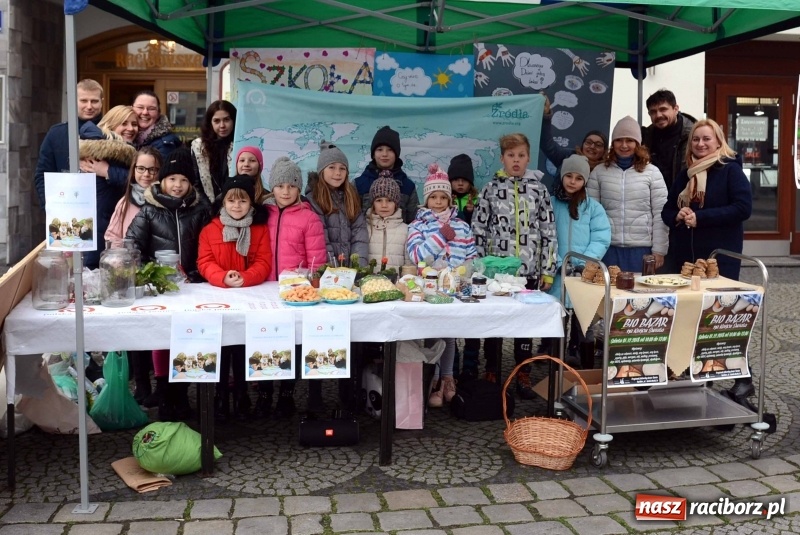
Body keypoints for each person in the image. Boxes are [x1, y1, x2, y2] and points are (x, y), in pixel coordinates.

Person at [126, 147, 211, 420]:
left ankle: (182, 394)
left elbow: (209, 245)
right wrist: (149, 274)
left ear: (190, 184)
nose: (177, 185)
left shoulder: (199, 211)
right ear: (161, 181)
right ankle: (164, 394)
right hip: (161, 289)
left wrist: (200, 272)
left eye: (183, 180)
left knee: (187, 338)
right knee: (162, 341)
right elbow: (132, 247)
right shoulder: (149, 211)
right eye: (172, 179)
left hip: (193, 286)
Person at [472, 133, 557, 399]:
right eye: (511, 156)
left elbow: (549, 231)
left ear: (528, 157)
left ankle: (523, 373)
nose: (516, 160)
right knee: (494, 323)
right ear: (502, 158)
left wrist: (548, 270)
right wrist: (479, 269)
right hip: (498, 273)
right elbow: (478, 230)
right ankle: (493, 370)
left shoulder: (539, 190)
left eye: (521, 155)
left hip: (529, 271)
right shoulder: (490, 189)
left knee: (525, 326)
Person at [197, 175, 272, 421]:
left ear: (251, 203)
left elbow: (263, 261)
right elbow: (204, 261)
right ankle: (219, 395)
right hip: (219, 297)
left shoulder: (259, 229)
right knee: (221, 347)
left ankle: (241, 394)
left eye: (242, 201)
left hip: (249, 296)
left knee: (243, 346)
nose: (236, 206)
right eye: (231, 200)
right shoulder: (210, 229)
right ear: (223, 202)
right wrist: (222, 277)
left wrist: (247, 276)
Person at [261, 156, 327, 417]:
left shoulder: (308, 218)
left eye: (291, 186)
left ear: (299, 188)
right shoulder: (262, 214)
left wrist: (309, 284)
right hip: (265, 288)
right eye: (280, 186)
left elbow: (316, 260)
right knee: (268, 339)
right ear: (272, 188)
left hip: (296, 292)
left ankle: (287, 393)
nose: (285, 191)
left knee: (295, 342)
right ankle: (265, 392)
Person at [407, 164, 477, 407]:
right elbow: (417, 257)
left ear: (450, 199)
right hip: (428, 290)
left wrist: (464, 272)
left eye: (443, 197)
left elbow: (471, 257)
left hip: (454, 291)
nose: (438, 202)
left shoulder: (463, 226)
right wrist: (440, 237)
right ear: (427, 199)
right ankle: (432, 379)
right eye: (433, 197)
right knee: (432, 334)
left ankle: (447, 379)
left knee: (449, 335)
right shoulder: (418, 225)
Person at [661, 118, 752, 280]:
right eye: (695, 139)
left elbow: (742, 208)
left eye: (706, 139)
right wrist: (677, 215)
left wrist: (700, 218)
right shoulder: (686, 174)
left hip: (719, 258)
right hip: (685, 259)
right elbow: (667, 211)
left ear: (718, 142)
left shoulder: (731, 170)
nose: (700, 144)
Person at [546, 154, 611, 368]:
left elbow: (601, 237)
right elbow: (545, 235)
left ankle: (587, 370)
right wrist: (556, 263)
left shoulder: (593, 207)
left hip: (584, 275)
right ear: (562, 176)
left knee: (586, 324)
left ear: (585, 181)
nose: (573, 182)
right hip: (559, 274)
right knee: (558, 321)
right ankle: (556, 368)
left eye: (578, 178)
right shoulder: (551, 203)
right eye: (569, 176)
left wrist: (586, 262)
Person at [587, 116, 669, 273]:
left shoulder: (652, 172)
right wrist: (593, 251)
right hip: (607, 249)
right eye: (619, 140)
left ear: (637, 144)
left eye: (630, 140)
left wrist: (659, 250)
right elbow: (590, 215)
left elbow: (660, 214)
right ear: (613, 143)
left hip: (642, 251)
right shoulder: (599, 172)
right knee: (607, 296)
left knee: (641, 296)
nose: (624, 145)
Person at [306, 140, 369, 267]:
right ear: (321, 170)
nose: (338, 173)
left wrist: (357, 268)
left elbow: (359, 236)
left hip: (349, 271)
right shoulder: (314, 198)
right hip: (328, 271)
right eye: (332, 167)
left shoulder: (351, 196)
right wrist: (333, 269)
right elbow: (321, 239)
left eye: (342, 168)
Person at [354, 126, 419, 224]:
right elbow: (351, 220)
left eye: (390, 150)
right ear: (373, 154)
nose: (384, 154)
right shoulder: (359, 184)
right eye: (380, 149)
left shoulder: (407, 186)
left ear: (396, 154)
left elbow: (414, 222)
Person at [641, 89, 696, 191]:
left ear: (676, 109)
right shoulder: (646, 137)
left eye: (663, 109)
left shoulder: (694, 136)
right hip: (654, 198)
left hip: (685, 197)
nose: (658, 115)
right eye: (653, 112)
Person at [105, 147, 163, 242]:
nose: (146, 174)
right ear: (133, 170)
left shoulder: (167, 202)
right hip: (131, 255)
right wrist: (122, 256)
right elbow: (112, 236)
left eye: (152, 169)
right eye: (141, 168)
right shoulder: (125, 203)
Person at [191, 100, 237, 204]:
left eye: (226, 120)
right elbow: (196, 183)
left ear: (234, 120)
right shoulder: (199, 147)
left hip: (236, 205)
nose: (222, 125)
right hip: (207, 207)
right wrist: (208, 207)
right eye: (216, 121)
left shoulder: (241, 144)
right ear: (210, 122)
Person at [366, 171, 410, 269]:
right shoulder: (365, 228)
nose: (384, 205)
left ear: (396, 203)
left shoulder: (405, 230)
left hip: (396, 283)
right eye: (379, 200)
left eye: (389, 200)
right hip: (369, 283)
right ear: (372, 203)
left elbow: (408, 264)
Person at [132, 90, 182, 161]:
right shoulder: (127, 136)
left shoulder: (165, 144)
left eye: (151, 109)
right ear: (131, 109)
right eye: (140, 107)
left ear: (158, 113)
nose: (145, 112)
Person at [447, 154, 480, 225]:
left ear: (470, 183)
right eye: (456, 180)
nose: (460, 183)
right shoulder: (445, 199)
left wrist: (471, 212)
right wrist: (448, 208)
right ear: (450, 182)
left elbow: (480, 222)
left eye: (464, 180)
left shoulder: (476, 200)